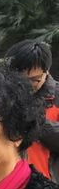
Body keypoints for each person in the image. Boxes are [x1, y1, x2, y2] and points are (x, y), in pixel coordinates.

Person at [6, 39, 59, 181]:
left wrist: (33, 121)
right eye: (21, 79)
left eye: (34, 79)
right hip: (9, 182)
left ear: (46, 72)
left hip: (47, 185)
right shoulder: (4, 95)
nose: (27, 85)